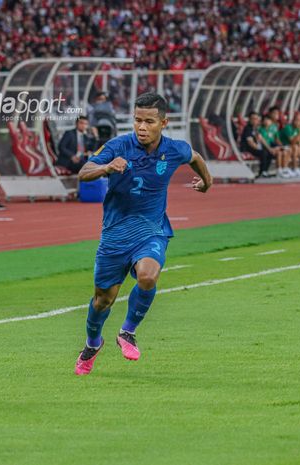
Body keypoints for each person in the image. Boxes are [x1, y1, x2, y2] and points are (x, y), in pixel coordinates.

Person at [73, 92, 212, 376]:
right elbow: (83, 172)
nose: (142, 127)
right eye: (137, 120)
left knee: (148, 275)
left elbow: (195, 157)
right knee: (103, 299)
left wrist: (207, 182)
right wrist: (106, 167)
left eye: (149, 121)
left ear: (163, 122)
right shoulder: (118, 145)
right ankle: (92, 344)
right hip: (115, 233)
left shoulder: (174, 149)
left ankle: (127, 332)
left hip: (152, 228)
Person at [239, 111, 273, 178]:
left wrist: (270, 149)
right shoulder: (248, 129)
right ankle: (262, 172)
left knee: (269, 152)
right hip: (247, 148)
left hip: (255, 148)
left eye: (257, 119)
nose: (256, 120)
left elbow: (262, 139)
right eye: (253, 119)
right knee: (263, 153)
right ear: (250, 119)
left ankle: (265, 171)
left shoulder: (256, 128)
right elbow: (250, 143)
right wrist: (259, 148)